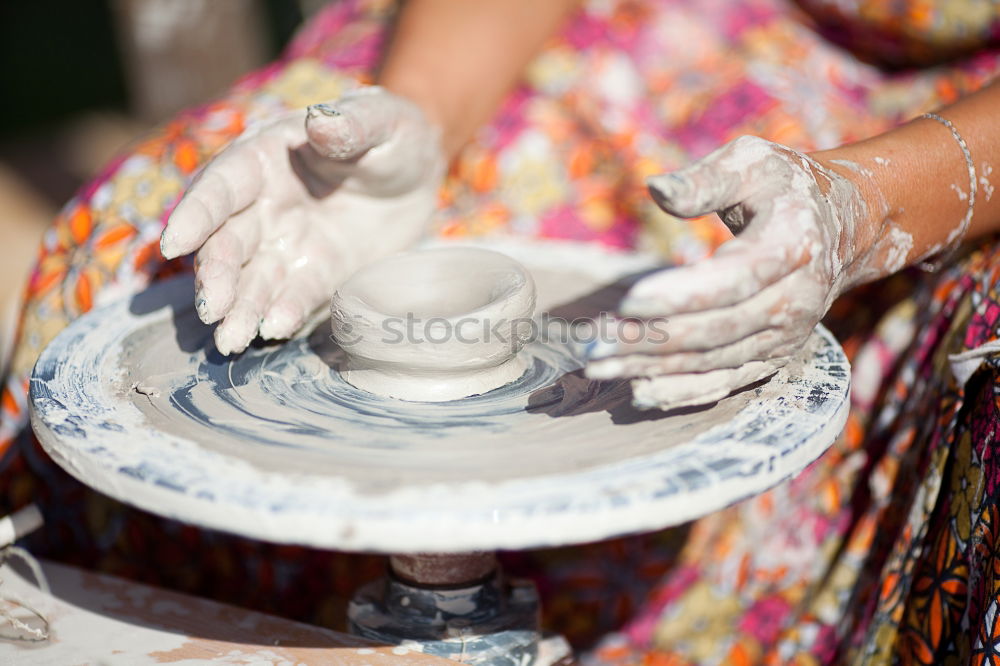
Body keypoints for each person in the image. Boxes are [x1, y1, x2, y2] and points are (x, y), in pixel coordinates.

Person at [2, 0, 999, 662]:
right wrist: (423, 122)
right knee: (137, 262)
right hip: (617, 22)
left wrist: (862, 210)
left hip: (948, 138)